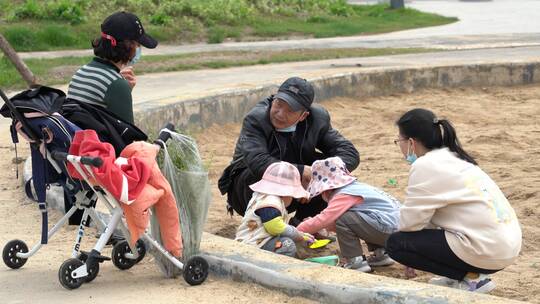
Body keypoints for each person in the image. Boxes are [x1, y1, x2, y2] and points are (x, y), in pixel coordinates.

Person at [386, 108, 522, 293]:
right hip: (507, 245)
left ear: (411, 142)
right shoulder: (454, 156)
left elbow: (409, 224)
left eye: (399, 141)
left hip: (487, 249)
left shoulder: (425, 165)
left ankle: (471, 279)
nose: (399, 146)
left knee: (397, 244)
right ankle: (461, 276)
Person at [218, 77, 360, 225]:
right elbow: (257, 161)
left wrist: (318, 172)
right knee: (265, 173)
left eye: (290, 110)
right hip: (246, 188)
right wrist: (300, 172)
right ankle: (264, 227)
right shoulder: (256, 119)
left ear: (303, 115)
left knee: (335, 171)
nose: (280, 113)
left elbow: (349, 153)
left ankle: (302, 224)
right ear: (274, 99)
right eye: (279, 104)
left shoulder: (317, 119)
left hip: (299, 191)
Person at [297, 157, 400, 272]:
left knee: (344, 218)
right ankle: (382, 254)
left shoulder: (343, 194)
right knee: (360, 217)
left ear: (326, 189)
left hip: (388, 229)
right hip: (398, 228)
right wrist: (323, 227)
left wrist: (297, 231)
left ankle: (355, 262)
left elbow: (325, 219)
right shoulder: (357, 188)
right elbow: (351, 225)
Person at [66, 11, 158, 124]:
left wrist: (123, 91)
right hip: (102, 141)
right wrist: (122, 90)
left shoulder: (80, 73)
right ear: (128, 46)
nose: (138, 49)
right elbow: (128, 137)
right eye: (138, 44)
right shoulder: (116, 84)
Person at [235, 162, 315, 257]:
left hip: (260, 241)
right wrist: (298, 235)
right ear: (285, 193)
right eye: (292, 196)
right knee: (287, 245)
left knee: (286, 239)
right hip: (253, 245)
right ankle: (270, 265)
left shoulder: (262, 196)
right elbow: (275, 227)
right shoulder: (271, 202)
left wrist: (301, 235)